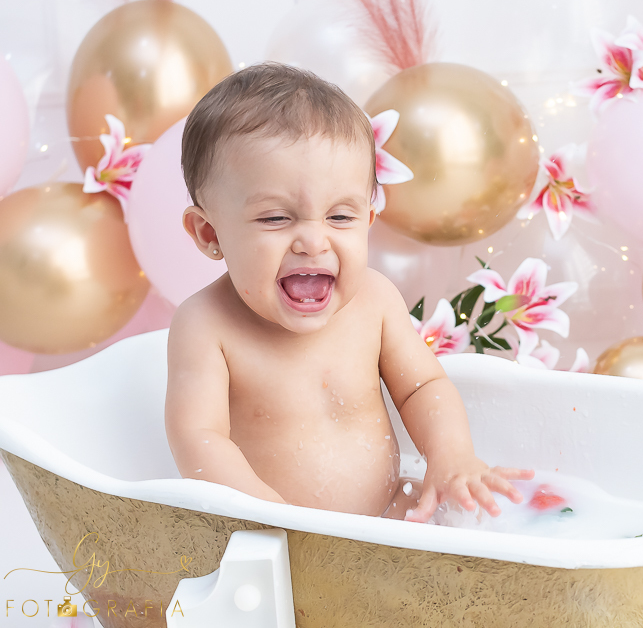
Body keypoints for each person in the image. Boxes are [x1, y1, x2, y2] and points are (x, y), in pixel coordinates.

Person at [164, 62, 532, 523]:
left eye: (341, 217)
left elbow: (423, 386)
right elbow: (198, 438)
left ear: (369, 221)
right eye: (276, 218)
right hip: (281, 541)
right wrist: (268, 514)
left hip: (392, 513)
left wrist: (451, 456)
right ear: (208, 232)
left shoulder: (374, 300)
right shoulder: (206, 325)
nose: (314, 241)